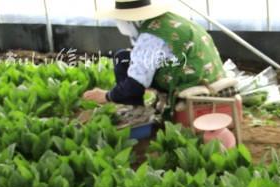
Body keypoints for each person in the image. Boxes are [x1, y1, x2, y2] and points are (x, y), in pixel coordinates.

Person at [82, 0, 225, 109]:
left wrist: (107, 96)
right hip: (209, 71)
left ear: (130, 20)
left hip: (191, 78)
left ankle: (135, 108)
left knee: (129, 71)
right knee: (123, 57)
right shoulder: (167, 19)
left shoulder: (150, 37)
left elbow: (135, 84)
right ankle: (133, 105)